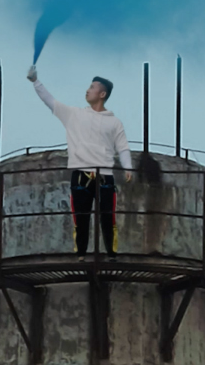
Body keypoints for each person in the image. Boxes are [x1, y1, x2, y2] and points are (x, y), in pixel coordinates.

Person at [29, 66, 130, 252]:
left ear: (102, 94)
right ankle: (81, 253)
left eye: (92, 87)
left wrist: (128, 167)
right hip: (80, 174)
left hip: (105, 175)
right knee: (81, 218)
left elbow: (123, 147)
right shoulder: (74, 115)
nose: (87, 90)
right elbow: (50, 101)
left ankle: (111, 253)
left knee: (108, 217)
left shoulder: (114, 122)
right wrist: (36, 81)